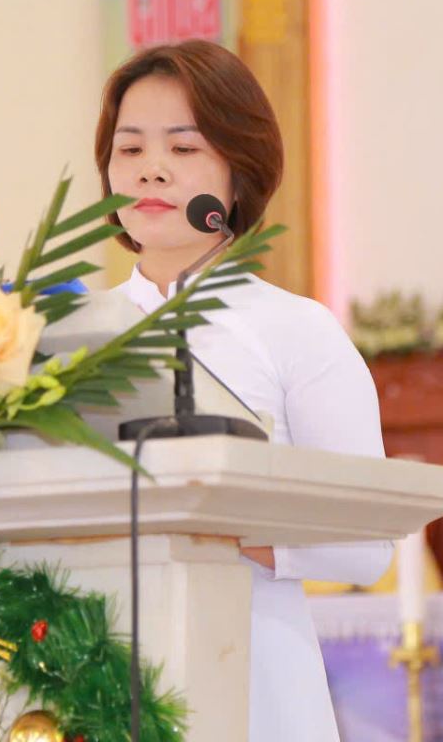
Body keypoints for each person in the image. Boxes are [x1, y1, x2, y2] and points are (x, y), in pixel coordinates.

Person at [95, 40, 392, 741]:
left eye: (184, 147)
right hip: (93, 671)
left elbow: (367, 540)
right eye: (130, 148)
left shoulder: (297, 330)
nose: (152, 169)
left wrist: (224, 530)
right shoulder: (72, 339)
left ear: (239, 173)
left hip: (253, 676)